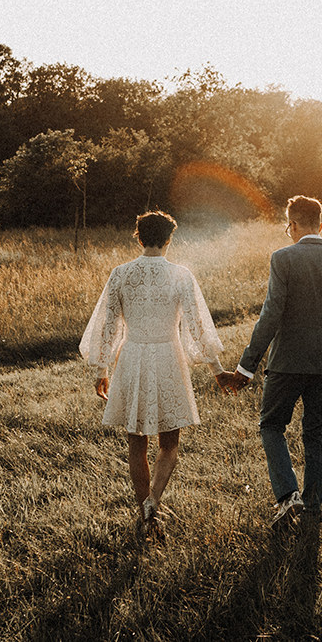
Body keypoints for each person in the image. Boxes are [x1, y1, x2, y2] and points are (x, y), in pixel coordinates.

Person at [218, 195, 322, 525]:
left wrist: (247, 366)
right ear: (321, 225)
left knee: (271, 425)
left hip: (286, 362)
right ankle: (312, 509)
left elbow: (271, 314)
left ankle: (288, 496)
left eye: (288, 226)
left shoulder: (283, 258)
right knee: (317, 435)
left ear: (295, 225)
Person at [80, 210, 225, 530]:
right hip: (168, 358)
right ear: (169, 239)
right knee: (169, 444)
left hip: (131, 357)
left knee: (136, 443)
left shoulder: (120, 273)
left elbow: (107, 327)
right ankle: (153, 502)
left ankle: (144, 508)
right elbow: (196, 326)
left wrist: (101, 369)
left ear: (139, 236)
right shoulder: (181, 274)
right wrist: (217, 368)